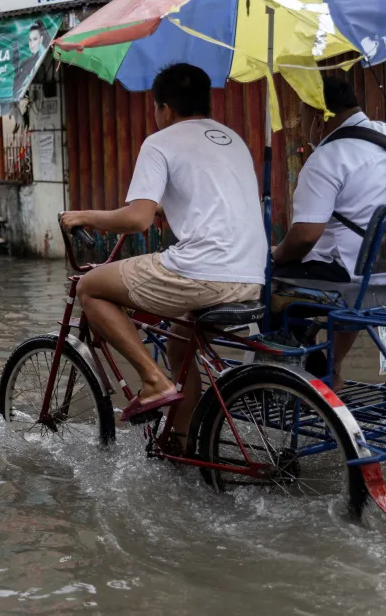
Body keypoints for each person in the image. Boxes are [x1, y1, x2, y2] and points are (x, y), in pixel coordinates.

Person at [61, 63, 266, 437]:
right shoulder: (232, 139)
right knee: (178, 339)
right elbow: (210, 203)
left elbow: (137, 219)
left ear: (164, 109)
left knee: (90, 286)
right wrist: (165, 208)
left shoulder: (160, 141)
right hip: (250, 277)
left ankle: (153, 381)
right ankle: (182, 440)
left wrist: (84, 216)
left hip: (203, 274)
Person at [273, 76, 386, 391]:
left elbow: (305, 237)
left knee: (272, 277)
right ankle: (334, 365)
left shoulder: (327, 157)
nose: (304, 125)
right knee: (343, 262)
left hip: (364, 281)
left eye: (304, 116)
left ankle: (287, 373)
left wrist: (275, 255)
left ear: (320, 117)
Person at [13, 22, 51, 96]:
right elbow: (16, 89)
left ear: (41, 39)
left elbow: (48, 42)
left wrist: (39, 22)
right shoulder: (25, 64)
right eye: (30, 40)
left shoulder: (44, 53)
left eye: (35, 39)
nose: (32, 43)